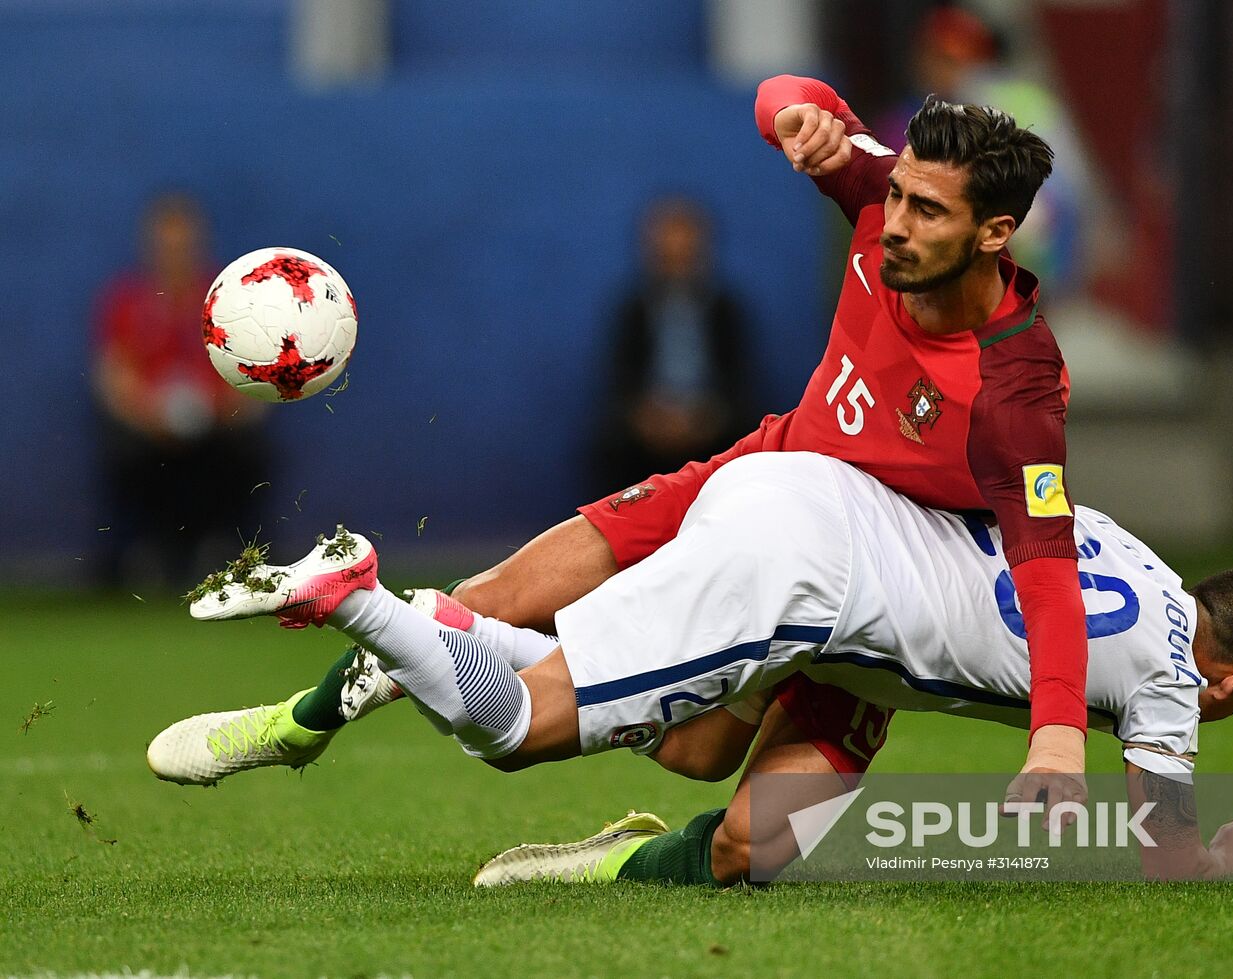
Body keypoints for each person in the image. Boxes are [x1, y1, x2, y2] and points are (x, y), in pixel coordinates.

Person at [154, 73, 1095, 810]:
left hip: (866, 589)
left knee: (713, 779)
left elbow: (1044, 563)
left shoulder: (1015, 392)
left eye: (926, 213)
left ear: (995, 234)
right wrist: (798, 115)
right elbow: (783, 98)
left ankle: (626, 835)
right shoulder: (880, 195)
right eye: (896, 197)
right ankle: (298, 721)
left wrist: (1056, 732)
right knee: (496, 596)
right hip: (754, 480)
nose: (893, 221)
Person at [148, 451, 1233, 883]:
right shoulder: (1169, 680)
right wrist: (1224, 861)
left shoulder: (1123, 541)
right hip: (807, 569)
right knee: (513, 712)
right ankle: (356, 627)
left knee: (738, 814)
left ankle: (606, 859)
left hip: (844, 604)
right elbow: (1166, 855)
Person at [92, 192, 268, 588]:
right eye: (166, 244)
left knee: (247, 451)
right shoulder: (126, 299)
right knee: (126, 454)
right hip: (148, 427)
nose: (174, 252)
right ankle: (146, 552)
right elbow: (113, 375)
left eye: (183, 243)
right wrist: (149, 412)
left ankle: (227, 547)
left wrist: (219, 409)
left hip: (218, 427)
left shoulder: (228, 298)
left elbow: (255, 374)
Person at [591, 196, 755, 495]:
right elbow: (621, 376)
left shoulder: (725, 309)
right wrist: (647, 417)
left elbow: (739, 375)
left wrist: (707, 416)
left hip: (710, 420)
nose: (677, 249)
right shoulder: (634, 309)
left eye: (686, 240)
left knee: (750, 438)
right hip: (649, 423)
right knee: (608, 443)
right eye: (668, 241)